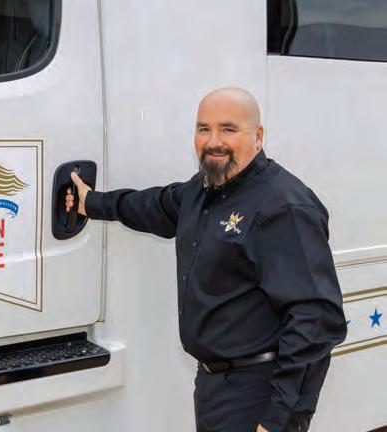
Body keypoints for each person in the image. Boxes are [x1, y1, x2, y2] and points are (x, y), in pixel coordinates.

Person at [65, 87, 347, 432]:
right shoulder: (201, 191)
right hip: (214, 387)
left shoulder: (283, 206)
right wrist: (91, 203)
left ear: (257, 136)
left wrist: (278, 421)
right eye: (204, 129)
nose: (214, 141)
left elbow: (315, 320)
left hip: (259, 392)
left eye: (228, 129)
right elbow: (153, 206)